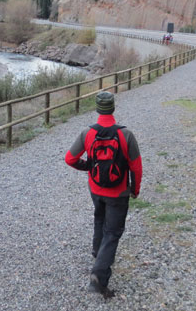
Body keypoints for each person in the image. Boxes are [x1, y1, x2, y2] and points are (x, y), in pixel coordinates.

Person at [64, 91, 142, 298]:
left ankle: (98, 254)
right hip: (118, 192)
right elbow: (136, 167)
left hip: (96, 188)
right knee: (113, 232)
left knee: (99, 218)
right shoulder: (126, 135)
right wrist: (135, 189)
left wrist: (88, 167)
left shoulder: (87, 133)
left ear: (98, 109)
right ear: (113, 108)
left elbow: (70, 159)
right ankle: (99, 277)